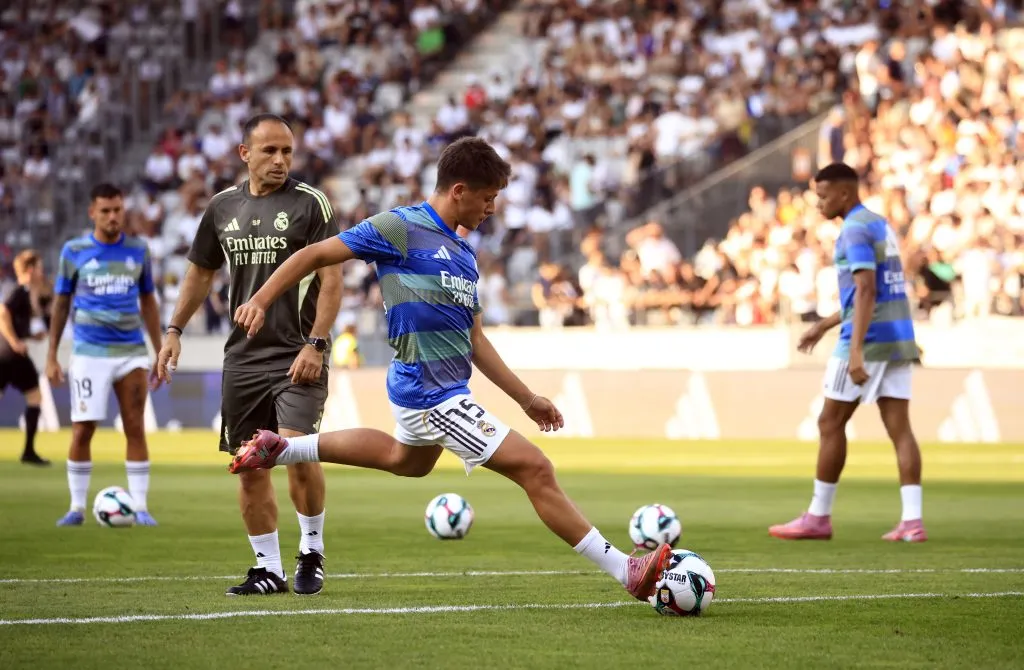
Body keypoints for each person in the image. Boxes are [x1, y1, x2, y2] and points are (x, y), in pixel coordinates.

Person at [229, 137, 673, 603]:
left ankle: (284, 449)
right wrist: (259, 299)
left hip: (439, 389)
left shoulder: (464, 255)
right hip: (430, 393)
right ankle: (628, 570)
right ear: (459, 190)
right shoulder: (400, 228)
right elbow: (313, 255)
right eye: (488, 197)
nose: (493, 209)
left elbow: (475, 340)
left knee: (408, 462)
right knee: (535, 468)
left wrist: (527, 399)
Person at [155, 113, 342, 597]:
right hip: (242, 359)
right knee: (249, 462)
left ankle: (312, 551)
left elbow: (332, 279)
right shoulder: (221, 209)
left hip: (297, 354)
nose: (280, 160)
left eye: (287, 152)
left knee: (296, 447)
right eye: (269, 151)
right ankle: (267, 568)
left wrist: (317, 344)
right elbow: (200, 272)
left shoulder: (311, 204)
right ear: (245, 154)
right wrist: (174, 329)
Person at [769, 163, 926, 543]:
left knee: (829, 422)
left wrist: (855, 351)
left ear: (843, 193)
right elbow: (872, 293)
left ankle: (818, 517)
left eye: (822, 196)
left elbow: (867, 290)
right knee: (899, 428)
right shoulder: (878, 223)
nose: (818, 203)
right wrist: (824, 325)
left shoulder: (853, 230)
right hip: (898, 335)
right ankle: (912, 522)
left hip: (868, 339)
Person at [48, 184, 164, 526]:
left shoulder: (138, 250)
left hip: (131, 352)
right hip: (89, 353)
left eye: (118, 209)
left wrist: (159, 351)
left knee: (134, 427)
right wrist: (52, 354)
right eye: (106, 211)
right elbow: (60, 303)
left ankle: (141, 508)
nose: (113, 217)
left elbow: (148, 302)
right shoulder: (74, 251)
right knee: (82, 430)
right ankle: (76, 508)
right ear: (92, 213)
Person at [0, 250, 51, 466]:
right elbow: (2, 313)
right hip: (9, 353)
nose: (41, 272)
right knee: (35, 397)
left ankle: (29, 451)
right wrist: (14, 341)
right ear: (30, 270)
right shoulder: (19, 290)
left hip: (9, 352)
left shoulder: (26, 292)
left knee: (34, 396)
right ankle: (28, 451)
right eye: (39, 267)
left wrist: (30, 336)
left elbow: (16, 322)